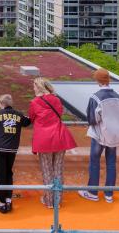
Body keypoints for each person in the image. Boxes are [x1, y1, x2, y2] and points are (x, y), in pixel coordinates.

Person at [78, 68, 119, 203]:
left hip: (99, 135)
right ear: (108, 79)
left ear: (97, 80)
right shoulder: (118, 96)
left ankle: (92, 192)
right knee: (111, 163)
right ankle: (109, 195)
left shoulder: (95, 97)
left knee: (94, 162)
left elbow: (92, 119)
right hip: (114, 136)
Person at [28, 78, 77, 209]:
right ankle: (57, 201)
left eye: (34, 86)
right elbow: (59, 113)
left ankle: (49, 201)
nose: (33, 88)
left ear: (38, 87)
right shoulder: (56, 99)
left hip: (44, 139)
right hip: (60, 136)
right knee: (58, 170)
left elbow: (32, 118)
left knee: (47, 170)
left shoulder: (34, 102)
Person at [0, 94, 31, 214]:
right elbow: (28, 121)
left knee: (1, 175)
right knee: (9, 174)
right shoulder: (19, 114)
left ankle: (2, 203)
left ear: (0, 103)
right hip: (13, 149)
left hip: (1, 149)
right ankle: (8, 201)